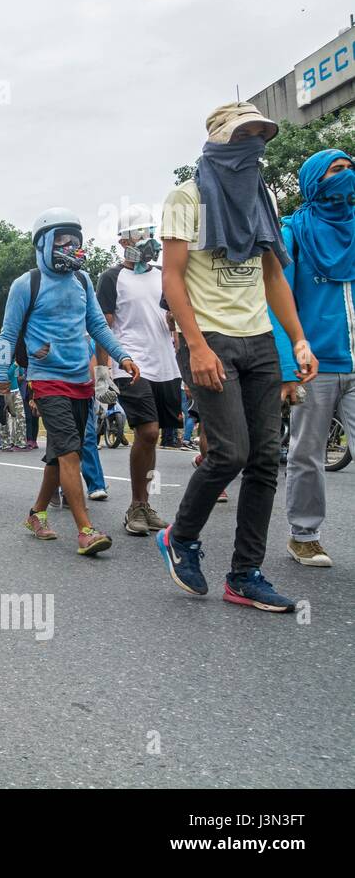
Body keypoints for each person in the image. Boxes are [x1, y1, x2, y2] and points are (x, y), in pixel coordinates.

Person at [158, 102, 316, 613]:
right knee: (231, 453)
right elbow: (173, 277)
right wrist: (197, 344)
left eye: (259, 135)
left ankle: (245, 574)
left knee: (267, 460)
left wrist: (297, 339)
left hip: (260, 342)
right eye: (242, 134)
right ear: (219, 141)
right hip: (211, 340)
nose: (253, 144)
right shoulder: (187, 198)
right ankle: (180, 537)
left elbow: (273, 276)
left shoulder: (260, 198)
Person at [0, 207, 137, 557]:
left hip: (81, 381)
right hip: (46, 381)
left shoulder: (83, 281)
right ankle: (86, 530)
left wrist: (123, 357)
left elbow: (98, 326)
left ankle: (36, 513)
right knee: (71, 451)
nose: (70, 246)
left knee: (59, 455)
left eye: (75, 240)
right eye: (62, 240)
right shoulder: (26, 284)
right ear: (43, 244)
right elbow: (8, 336)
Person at [269, 148, 355, 568]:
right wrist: (288, 365)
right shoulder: (292, 232)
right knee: (307, 453)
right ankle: (304, 535)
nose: (345, 177)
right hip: (314, 365)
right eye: (335, 171)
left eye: (349, 169)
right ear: (313, 181)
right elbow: (276, 299)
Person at [95, 204, 182, 533]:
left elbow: (172, 317)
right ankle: (135, 506)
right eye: (138, 233)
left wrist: (175, 327)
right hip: (129, 365)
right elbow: (103, 328)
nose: (146, 238)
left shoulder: (164, 274)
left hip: (165, 365)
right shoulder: (111, 278)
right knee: (147, 431)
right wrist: (103, 375)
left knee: (156, 436)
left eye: (149, 231)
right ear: (122, 241)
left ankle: (145, 504)